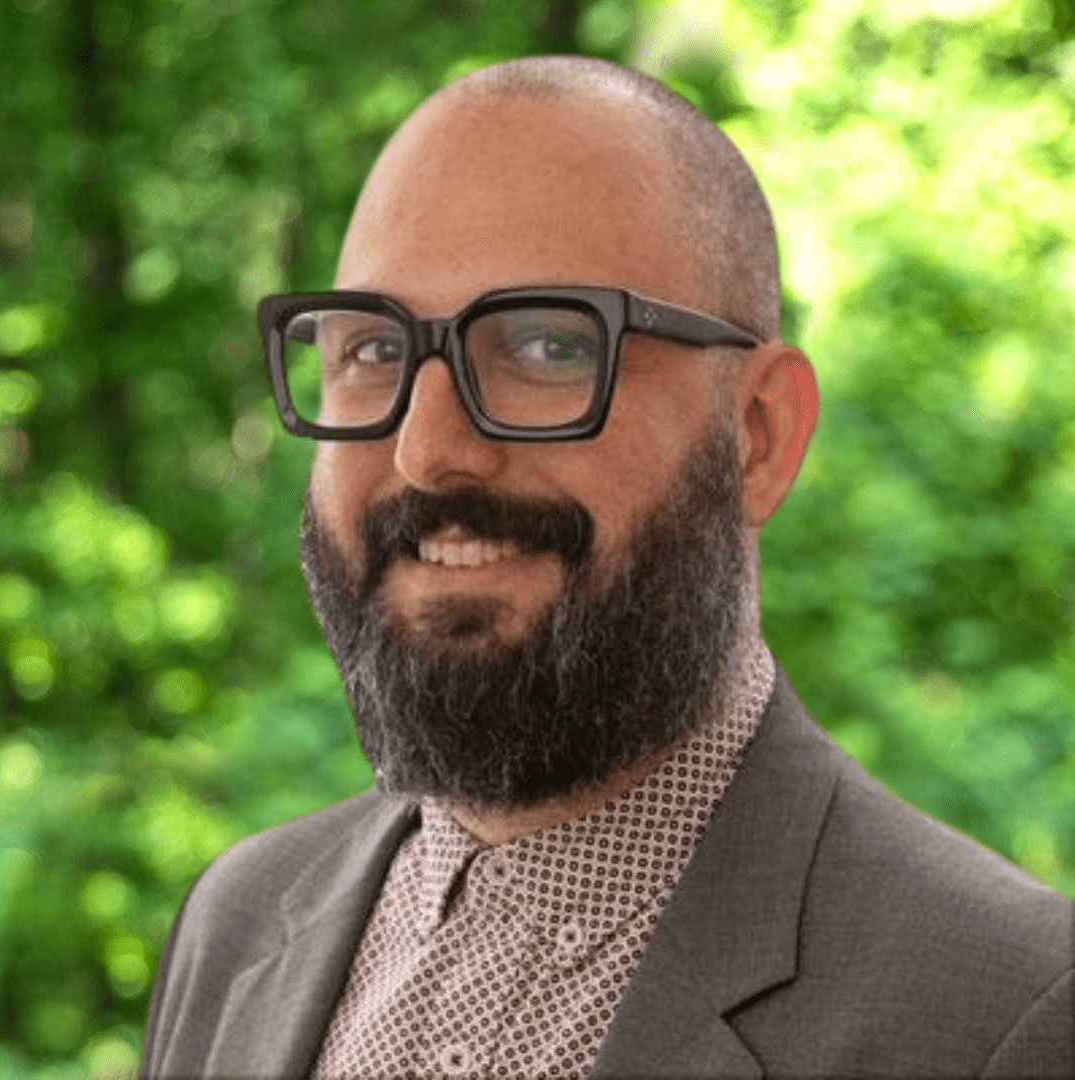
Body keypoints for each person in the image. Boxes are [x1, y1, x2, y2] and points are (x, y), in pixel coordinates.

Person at [139, 55, 1074, 1080]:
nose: (427, 451)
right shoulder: (235, 925)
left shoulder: (1010, 1013)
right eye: (373, 352)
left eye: (548, 347)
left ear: (757, 435)